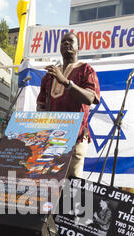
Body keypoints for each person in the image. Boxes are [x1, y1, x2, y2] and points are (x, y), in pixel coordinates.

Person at [37, 32, 100, 178]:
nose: (66, 43)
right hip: (52, 139)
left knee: (71, 189)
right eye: (63, 42)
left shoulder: (86, 70)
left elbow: (91, 98)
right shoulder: (49, 75)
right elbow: (41, 105)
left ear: (79, 47)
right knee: (51, 183)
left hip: (76, 137)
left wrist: (65, 82)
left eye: (70, 41)